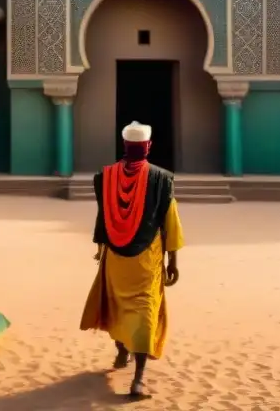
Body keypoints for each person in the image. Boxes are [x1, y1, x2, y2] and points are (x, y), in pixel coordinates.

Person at [79, 120, 184, 398]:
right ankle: (138, 379)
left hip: (115, 256)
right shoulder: (162, 179)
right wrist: (172, 260)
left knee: (117, 305)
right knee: (144, 309)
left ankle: (121, 353)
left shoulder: (105, 177)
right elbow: (169, 220)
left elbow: (103, 217)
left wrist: (101, 249)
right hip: (146, 260)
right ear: (148, 146)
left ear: (125, 146)